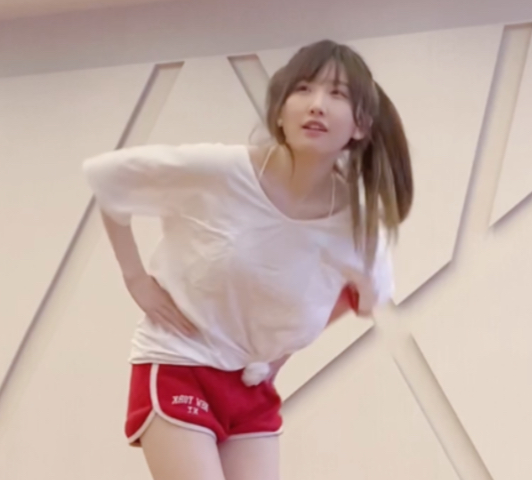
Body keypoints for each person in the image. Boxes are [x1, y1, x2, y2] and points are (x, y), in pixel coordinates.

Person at [81, 39, 413, 480]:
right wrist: (135, 279)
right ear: (280, 111)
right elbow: (110, 177)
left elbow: (365, 297)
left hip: (249, 385)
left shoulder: (357, 225)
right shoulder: (222, 170)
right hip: (180, 361)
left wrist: (280, 351)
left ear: (361, 124)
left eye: (337, 94)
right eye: (303, 89)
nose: (316, 104)